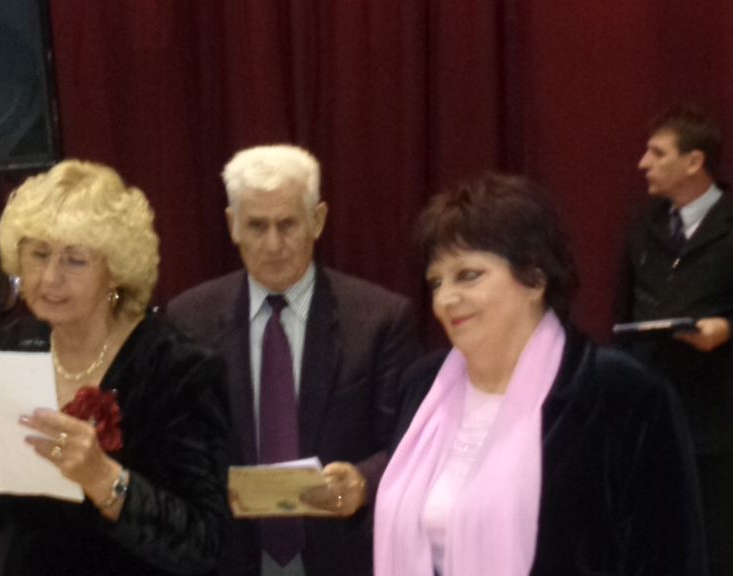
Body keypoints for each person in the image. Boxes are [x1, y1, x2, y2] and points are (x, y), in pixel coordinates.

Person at [373, 173, 705, 575]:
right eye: (436, 282)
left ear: (534, 279)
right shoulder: (423, 387)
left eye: (468, 275)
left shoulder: (621, 395)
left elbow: (668, 557)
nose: (445, 298)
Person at [0, 160, 232, 576]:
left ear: (116, 271)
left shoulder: (178, 368)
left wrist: (104, 479)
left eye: (74, 260)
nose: (50, 277)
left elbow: (206, 544)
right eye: (38, 254)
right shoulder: (10, 349)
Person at [166, 145, 421, 576]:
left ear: (317, 220)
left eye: (287, 224)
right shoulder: (189, 319)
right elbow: (180, 442)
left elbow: (411, 443)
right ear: (232, 225)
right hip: (230, 557)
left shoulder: (379, 320)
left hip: (341, 555)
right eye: (256, 225)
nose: (273, 245)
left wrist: (363, 481)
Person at [616, 102, 733, 574]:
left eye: (657, 153)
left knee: (714, 545)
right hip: (649, 411)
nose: (643, 163)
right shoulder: (642, 222)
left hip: (716, 419)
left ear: (694, 161)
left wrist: (727, 329)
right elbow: (623, 307)